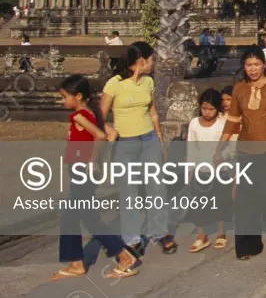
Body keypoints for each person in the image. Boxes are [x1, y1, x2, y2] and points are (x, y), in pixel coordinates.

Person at [52, 75, 141, 281]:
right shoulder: (92, 114)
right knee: (73, 216)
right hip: (82, 171)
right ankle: (76, 262)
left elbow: (101, 137)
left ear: (78, 96)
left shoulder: (79, 116)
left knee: (87, 218)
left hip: (81, 172)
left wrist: (92, 160)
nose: (63, 101)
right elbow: (112, 134)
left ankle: (124, 256)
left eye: (65, 97)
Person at [98, 41, 174, 255]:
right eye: (152, 59)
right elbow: (99, 115)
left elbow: (153, 113)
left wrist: (160, 140)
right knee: (129, 191)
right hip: (125, 143)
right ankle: (131, 239)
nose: (153, 63)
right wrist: (109, 130)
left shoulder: (149, 82)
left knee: (156, 187)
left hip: (148, 139)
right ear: (142, 60)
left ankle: (159, 233)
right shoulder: (115, 83)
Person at [220, 47, 266, 260]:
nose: (253, 69)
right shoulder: (239, 88)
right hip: (245, 150)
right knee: (245, 198)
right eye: (249, 65)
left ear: (264, 65)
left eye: (256, 64)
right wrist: (220, 147)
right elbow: (233, 120)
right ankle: (248, 246)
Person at [182, 89, 229, 253]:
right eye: (204, 108)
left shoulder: (223, 124)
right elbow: (191, 146)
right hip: (199, 170)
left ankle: (221, 233)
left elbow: (228, 147)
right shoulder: (194, 123)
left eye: (211, 109)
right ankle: (201, 236)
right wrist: (189, 171)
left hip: (218, 170)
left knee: (220, 201)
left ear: (218, 109)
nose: (207, 112)